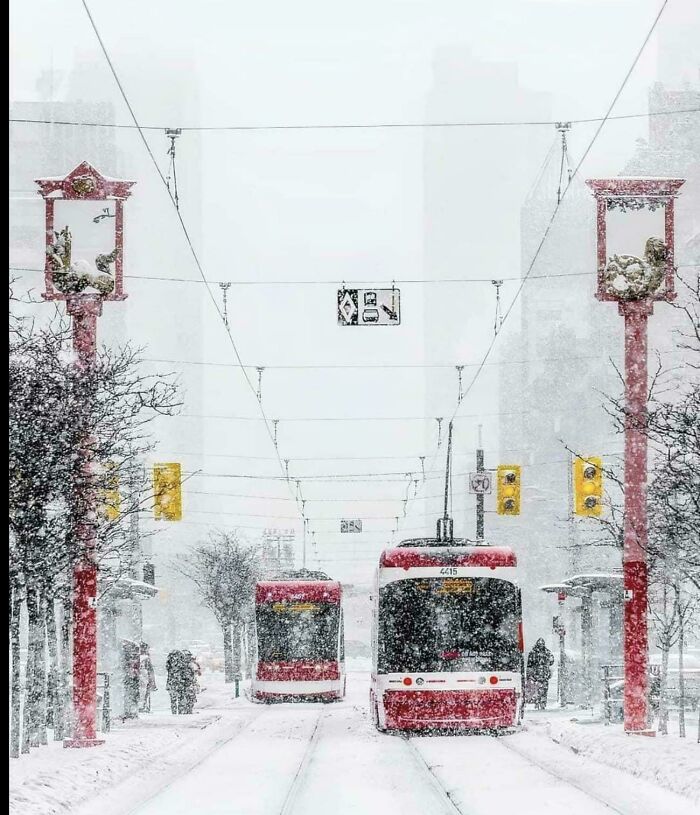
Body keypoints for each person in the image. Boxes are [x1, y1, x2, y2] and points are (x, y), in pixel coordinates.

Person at [527, 638, 555, 710]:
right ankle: (540, 701)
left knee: (539, 688)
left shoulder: (533, 652)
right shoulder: (546, 652)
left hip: (539, 675)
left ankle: (540, 701)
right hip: (541, 674)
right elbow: (551, 661)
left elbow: (529, 664)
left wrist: (530, 675)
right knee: (542, 688)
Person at [166, 649, 189, 714]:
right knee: (180, 697)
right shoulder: (182, 664)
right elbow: (185, 673)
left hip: (172, 682)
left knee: (173, 699)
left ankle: (174, 711)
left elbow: (168, 670)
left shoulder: (169, 664)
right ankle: (180, 710)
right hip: (180, 683)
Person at [138, 642, 157, 713]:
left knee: (142, 692)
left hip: (141, 678)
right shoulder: (146, 658)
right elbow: (150, 671)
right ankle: (144, 706)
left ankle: (142, 705)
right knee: (145, 693)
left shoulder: (137, 657)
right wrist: (152, 681)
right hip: (144, 678)